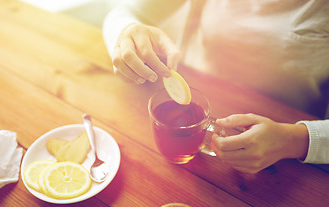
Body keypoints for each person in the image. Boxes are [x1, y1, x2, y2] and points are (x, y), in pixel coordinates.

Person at [102, 0, 329, 173]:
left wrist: (295, 140)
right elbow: (124, 12)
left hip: (290, 154)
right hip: (202, 97)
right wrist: (127, 34)